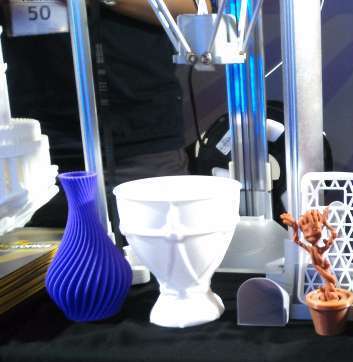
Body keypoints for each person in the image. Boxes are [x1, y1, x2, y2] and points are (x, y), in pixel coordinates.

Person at [0, 0, 203, 228]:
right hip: (35, 153)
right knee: (41, 249)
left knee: (160, 243)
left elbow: (196, 9)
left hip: (141, 142)